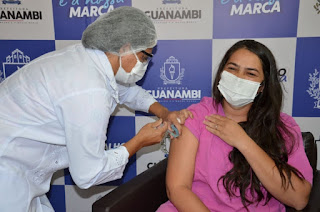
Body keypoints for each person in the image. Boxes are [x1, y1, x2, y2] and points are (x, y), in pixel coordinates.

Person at [0, 6, 192, 212]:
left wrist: (164, 113)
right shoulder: (90, 89)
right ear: (125, 47)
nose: (145, 64)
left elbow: (126, 91)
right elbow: (87, 175)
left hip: (21, 167)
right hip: (7, 174)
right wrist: (139, 142)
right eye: (144, 57)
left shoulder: (88, 59)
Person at [157, 40, 313, 212]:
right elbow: (177, 188)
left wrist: (243, 142)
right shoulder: (195, 116)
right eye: (232, 68)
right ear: (222, 72)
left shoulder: (284, 127)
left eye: (250, 73)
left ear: (262, 86)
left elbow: (299, 199)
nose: (239, 78)